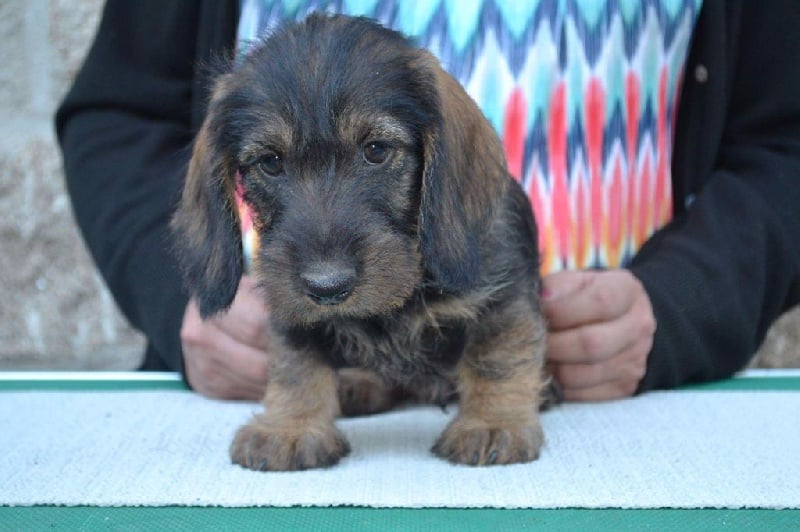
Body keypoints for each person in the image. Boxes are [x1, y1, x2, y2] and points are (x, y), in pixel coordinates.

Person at [56, 0, 800, 402]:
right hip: (280, 370)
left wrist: (683, 303)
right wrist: (189, 295)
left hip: (605, 394)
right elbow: (118, 114)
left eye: (378, 151)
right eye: (269, 165)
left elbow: (786, 144)